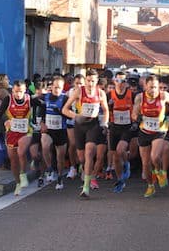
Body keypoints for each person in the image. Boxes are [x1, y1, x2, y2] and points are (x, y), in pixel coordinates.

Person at [62, 69, 109, 199]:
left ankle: (86, 187)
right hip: (79, 125)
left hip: (93, 125)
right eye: (88, 81)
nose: (90, 84)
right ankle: (85, 170)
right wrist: (76, 116)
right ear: (85, 80)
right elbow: (65, 109)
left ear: (97, 81)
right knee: (81, 158)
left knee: (89, 153)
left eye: (93, 81)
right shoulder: (79, 91)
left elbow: (106, 110)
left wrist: (105, 123)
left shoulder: (100, 93)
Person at [132, 75, 169, 198]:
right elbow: (134, 113)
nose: (153, 90)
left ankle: (159, 171)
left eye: (155, 87)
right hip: (144, 131)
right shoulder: (140, 97)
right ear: (145, 86)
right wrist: (137, 117)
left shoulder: (163, 96)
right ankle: (150, 186)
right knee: (145, 163)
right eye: (151, 87)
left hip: (159, 130)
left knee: (155, 156)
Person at [4, 80, 34, 195]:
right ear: (12, 90)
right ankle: (17, 183)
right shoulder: (8, 99)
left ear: (25, 90)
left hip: (26, 131)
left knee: (21, 152)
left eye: (21, 91)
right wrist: (5, 121)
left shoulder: (29, 99)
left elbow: (42, 105)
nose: (18, 94)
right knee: (13, 159)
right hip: (12, 132)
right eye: (16, 92)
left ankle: (23, 174)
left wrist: (40, 119)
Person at [108, 71, 136, 192]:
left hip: (127, 127)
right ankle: (120, 180)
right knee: (115, 157)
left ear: (126, 83)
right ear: (114, 81)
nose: (120, 83)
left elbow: (137, 109)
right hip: (114, 126)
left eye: (123, 81)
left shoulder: (132, 95)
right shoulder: (109, 95)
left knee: (120, 150)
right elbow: (104, 109)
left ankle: (126, 163)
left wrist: (135, 121)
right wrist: (109, 107)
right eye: (118, 80)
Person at [41, 75, 69, 190]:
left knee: (60, 158)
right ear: (51, 86)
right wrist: (42, 123)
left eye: (60, 88)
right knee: (45, 146)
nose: (57, 90)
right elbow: (41, 111)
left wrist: (60, 111)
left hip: (60, 130)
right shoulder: (46, 97)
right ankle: (49, 168)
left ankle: (60, 177)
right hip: (48, 129)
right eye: (55, 87)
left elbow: (69, 115)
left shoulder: (65, 98)